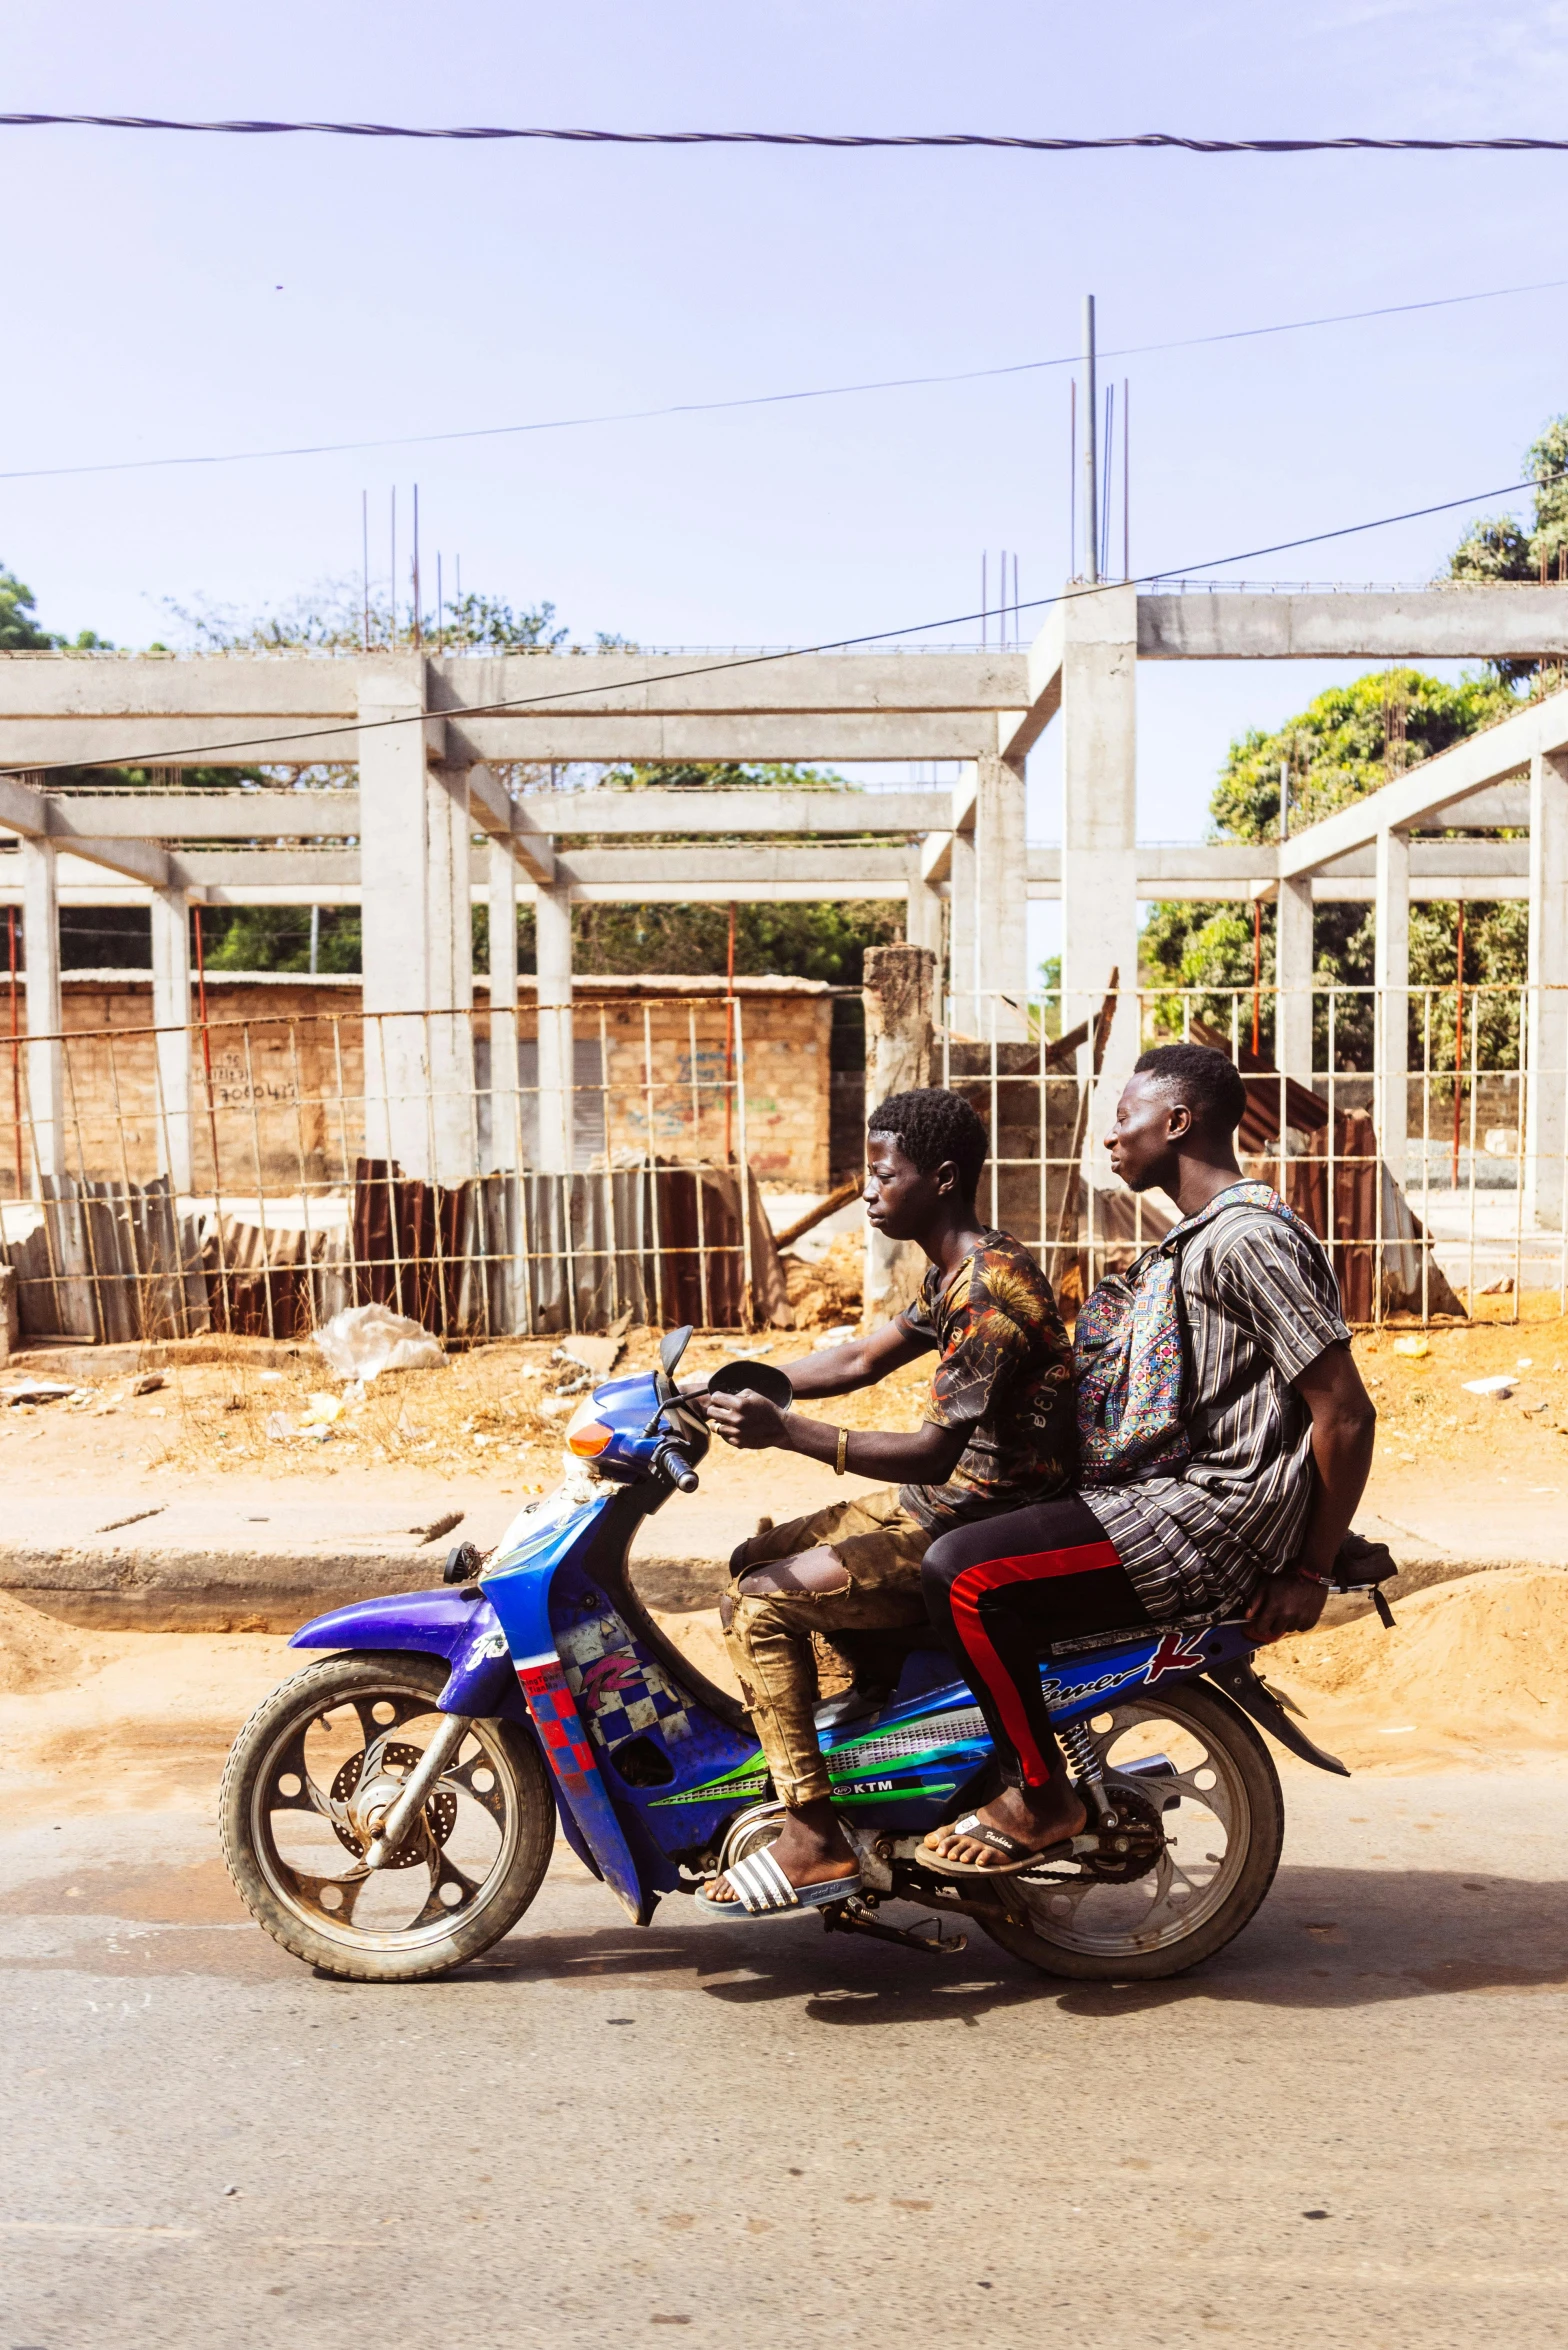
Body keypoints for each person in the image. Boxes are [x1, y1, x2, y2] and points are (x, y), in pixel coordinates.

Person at [920, 1041, 1377, 1876]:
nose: (1110, 1137)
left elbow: (1344, 1412)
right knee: (967, 1533)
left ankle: (1042, 1796)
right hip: (1176, 1497)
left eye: (1124, 1119)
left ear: (1177, 1122)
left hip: (1212, 1514)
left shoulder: (1245, 1239)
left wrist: (1307, 1572)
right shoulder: (1196, 1239)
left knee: (964, 1573)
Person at [697, 1086, 1076, 1916]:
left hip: (969, 1522)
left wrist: (785, 1432)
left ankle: (813, 1836)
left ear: (941, 1179)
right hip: (938, 1502)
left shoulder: (987, 1292)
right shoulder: (957, 1269)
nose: (868, 1190)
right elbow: (864, 1359)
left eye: (883, 1174)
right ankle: (861, 1744)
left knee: (761, 1607)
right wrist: (711, 1384)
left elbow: (935, 1451)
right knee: (752, 1560)